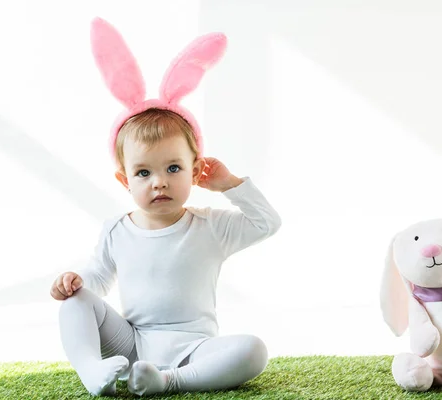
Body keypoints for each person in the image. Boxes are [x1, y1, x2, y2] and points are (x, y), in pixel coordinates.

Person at [50, 18, 281, 397]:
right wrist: (76, 282)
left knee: (253, 350)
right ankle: (93, 373)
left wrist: (229, 185)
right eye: (143, 172)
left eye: (173, 168)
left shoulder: (211, 226)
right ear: (125, 181)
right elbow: (99, 277)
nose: (159, 181)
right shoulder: (116, 230)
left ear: (196, 170)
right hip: (131, 343)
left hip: (196, 348)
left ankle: (169, 381)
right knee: (74, 304)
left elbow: (267, 223)